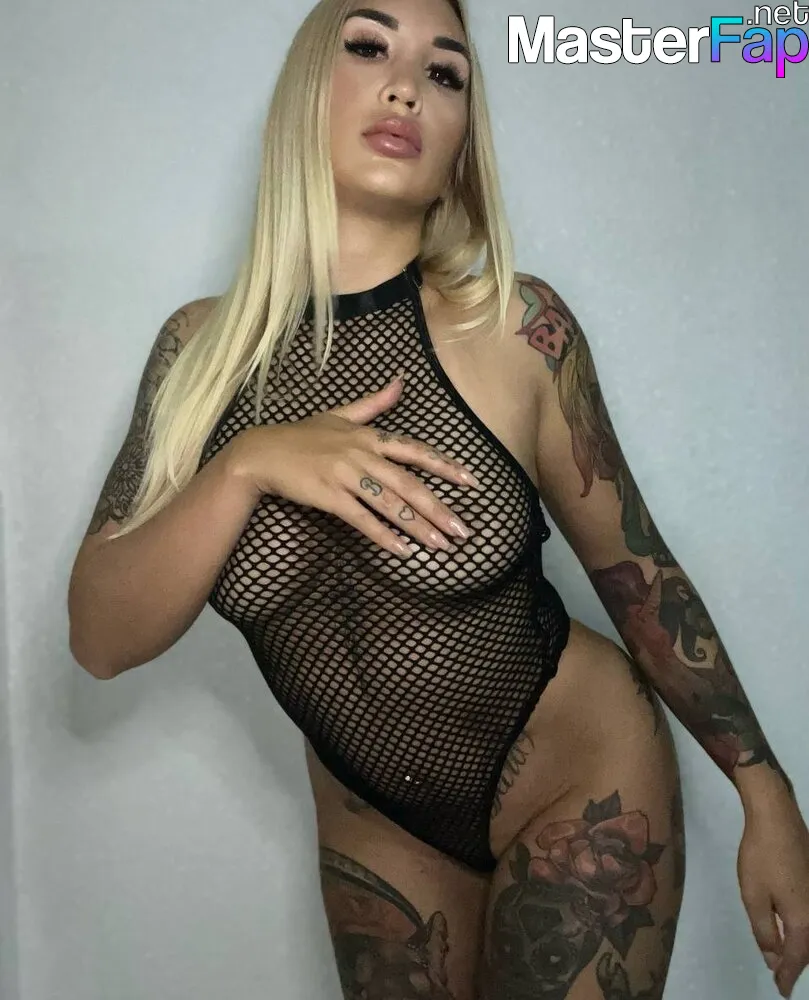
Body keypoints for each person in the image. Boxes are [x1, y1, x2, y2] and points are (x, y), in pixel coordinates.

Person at [67, 0, 809, 997]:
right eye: (368, 46)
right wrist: (246, 464)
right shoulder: (197, 355)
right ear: (304, 93)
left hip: (578, 776)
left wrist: (765, 794)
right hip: (375, 820)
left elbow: (637, 575)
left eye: (445, 72)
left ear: (461, 142)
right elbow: (100, 638)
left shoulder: (520, 330)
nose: (406, 86)